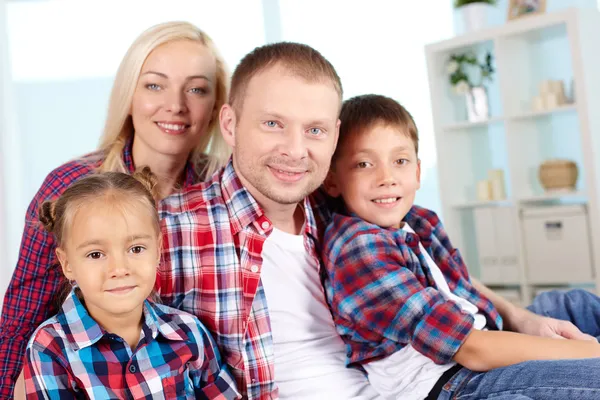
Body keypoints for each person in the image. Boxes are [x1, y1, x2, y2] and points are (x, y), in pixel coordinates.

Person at [0, 21, 230, 398]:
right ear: (129, 94)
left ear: (217, 107)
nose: (176, 105)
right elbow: (22, 315)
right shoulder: (71, 186)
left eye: (197, 89)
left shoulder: (221, 190)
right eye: (155, 85)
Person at [321, 94, 600, 400]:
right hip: (453, 381)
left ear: (416, 172)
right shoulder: (358, 250)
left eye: (399, 161)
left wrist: (522, 319)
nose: (386, 178)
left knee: (577, 305)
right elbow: (473, 350)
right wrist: (585, 351)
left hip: (484, 339)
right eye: (364, 164)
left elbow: (463, 286)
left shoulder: (418, 220)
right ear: (332, 180)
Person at [157, 42, 383, 399]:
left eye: (315, 130)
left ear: (335, 136)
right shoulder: (167, 230)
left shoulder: (344, 216)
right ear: (230, 125)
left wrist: (505, 312)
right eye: (273, 124)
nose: (295, 150)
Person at [23, 169, 239, 399]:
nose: (119, 269)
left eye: (136, 249)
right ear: (67, 264)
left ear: (157, 250)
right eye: (96, 254)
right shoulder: (49, 349)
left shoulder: (189, 332)